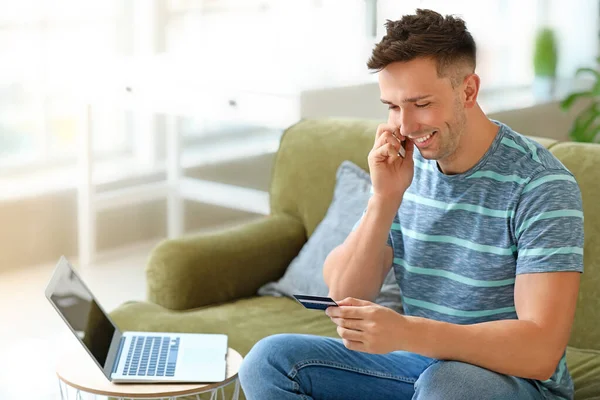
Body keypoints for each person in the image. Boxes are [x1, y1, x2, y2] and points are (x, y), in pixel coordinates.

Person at [238, 8, 583, 400]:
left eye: (420, 104)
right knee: (270, 360)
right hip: (420, 365)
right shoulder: (407, 166)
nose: (404, 126)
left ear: (468, 90)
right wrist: (384, 198)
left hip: (511, 381)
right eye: (392, 106)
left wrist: (407, 332)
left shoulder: (541, 185)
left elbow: (539, 352)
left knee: (447, 386)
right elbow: (346, 291)